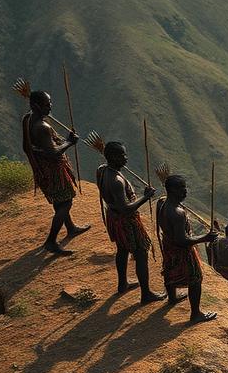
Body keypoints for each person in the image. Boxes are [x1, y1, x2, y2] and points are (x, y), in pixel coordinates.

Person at [21, 88, 90, 256]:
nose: (50, 106)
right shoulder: (42, 127)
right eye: (46, 104)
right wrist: (69, 142)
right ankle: (51, 241)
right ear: (36, 106)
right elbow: (53, 153)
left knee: (60, 201)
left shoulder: (27, 118)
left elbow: (26, 146)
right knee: (66, 203)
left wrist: (37, 152)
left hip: (43, 168)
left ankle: (71, 227)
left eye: (50, 102)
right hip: (53, 170)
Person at [96, 142, 164, 303]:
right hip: (126, 220)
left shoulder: (102, 170)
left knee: (122, 249)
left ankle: (122, 284)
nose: (126, 158)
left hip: (113, 216)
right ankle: (146, 294)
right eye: (122, 155)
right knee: (141, 253)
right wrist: (146, 197)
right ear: (112, 157)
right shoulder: (117, 181)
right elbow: (126, 208)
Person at [156, 175, 218, 323]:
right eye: (181, 188)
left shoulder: (162, 202)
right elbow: (182, 240)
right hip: (180, 249)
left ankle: (172, 298)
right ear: (171, 190)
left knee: (169, 268)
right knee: (195, 279)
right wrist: (205, 238)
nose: (185, 191)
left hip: (168, 244)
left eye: (185, 187)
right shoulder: (178, 213)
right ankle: (195, 314)